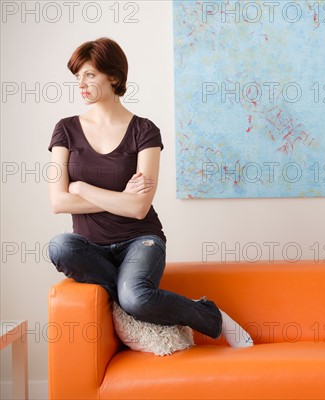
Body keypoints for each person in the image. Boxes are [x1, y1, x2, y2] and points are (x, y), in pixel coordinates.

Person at [47, 37, 253, 349]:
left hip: (140, 241)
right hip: (91, 247)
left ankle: (211, 317)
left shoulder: (145, 131)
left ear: (113, 77)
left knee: (136, 297)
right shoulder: (65, 129)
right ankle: (127, 298)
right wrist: (119, 197)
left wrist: (82, 187)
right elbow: (58, 201)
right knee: (61, 245)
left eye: (90, 75)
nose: (82, 84)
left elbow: (139, 208)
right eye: (78, 77)